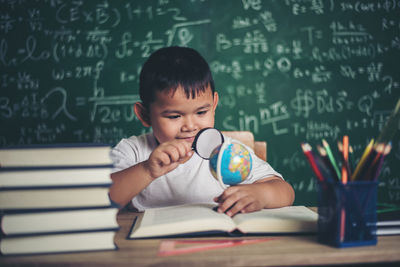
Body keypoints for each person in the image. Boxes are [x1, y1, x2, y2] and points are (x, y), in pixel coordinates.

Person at [109, 46, 294, 217]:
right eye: (174, 116)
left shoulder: (229, 152)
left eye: (201, 112)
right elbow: (100, 201)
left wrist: (260, 194)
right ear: (144, 114)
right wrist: (147, 170)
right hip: (147, 247)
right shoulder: (132, 151)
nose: (190, 126)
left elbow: (285, 192)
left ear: (214, 105)